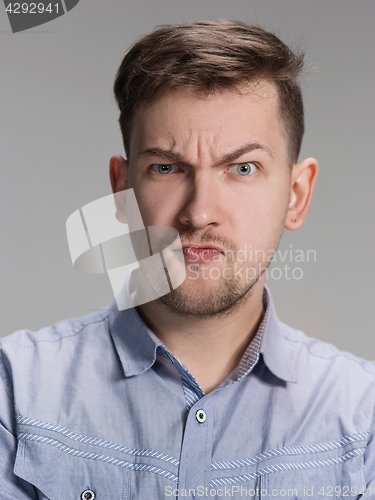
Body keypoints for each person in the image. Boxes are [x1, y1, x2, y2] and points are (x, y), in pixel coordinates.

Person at [1, 19, 374, 500]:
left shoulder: (363, 419)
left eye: (242, 167)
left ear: (296, 195)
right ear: (122, 191)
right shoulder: (14, 392)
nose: (199, 212)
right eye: (166, 167)